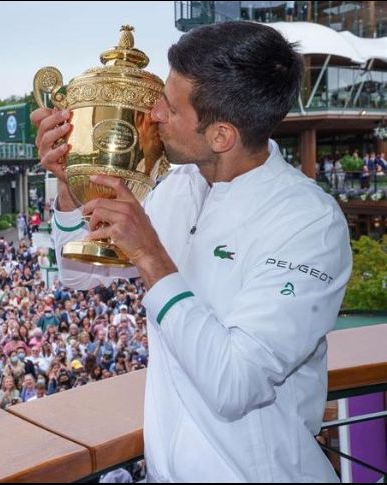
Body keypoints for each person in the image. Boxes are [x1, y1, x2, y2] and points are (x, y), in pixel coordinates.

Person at [32, 21, 351, 482]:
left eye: (170, 106)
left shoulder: (308, 222)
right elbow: (82, 274)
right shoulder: (177, 186)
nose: (153, 112)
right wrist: (69, 183)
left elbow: (234, 384)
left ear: (221, 135)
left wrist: (152, 257)